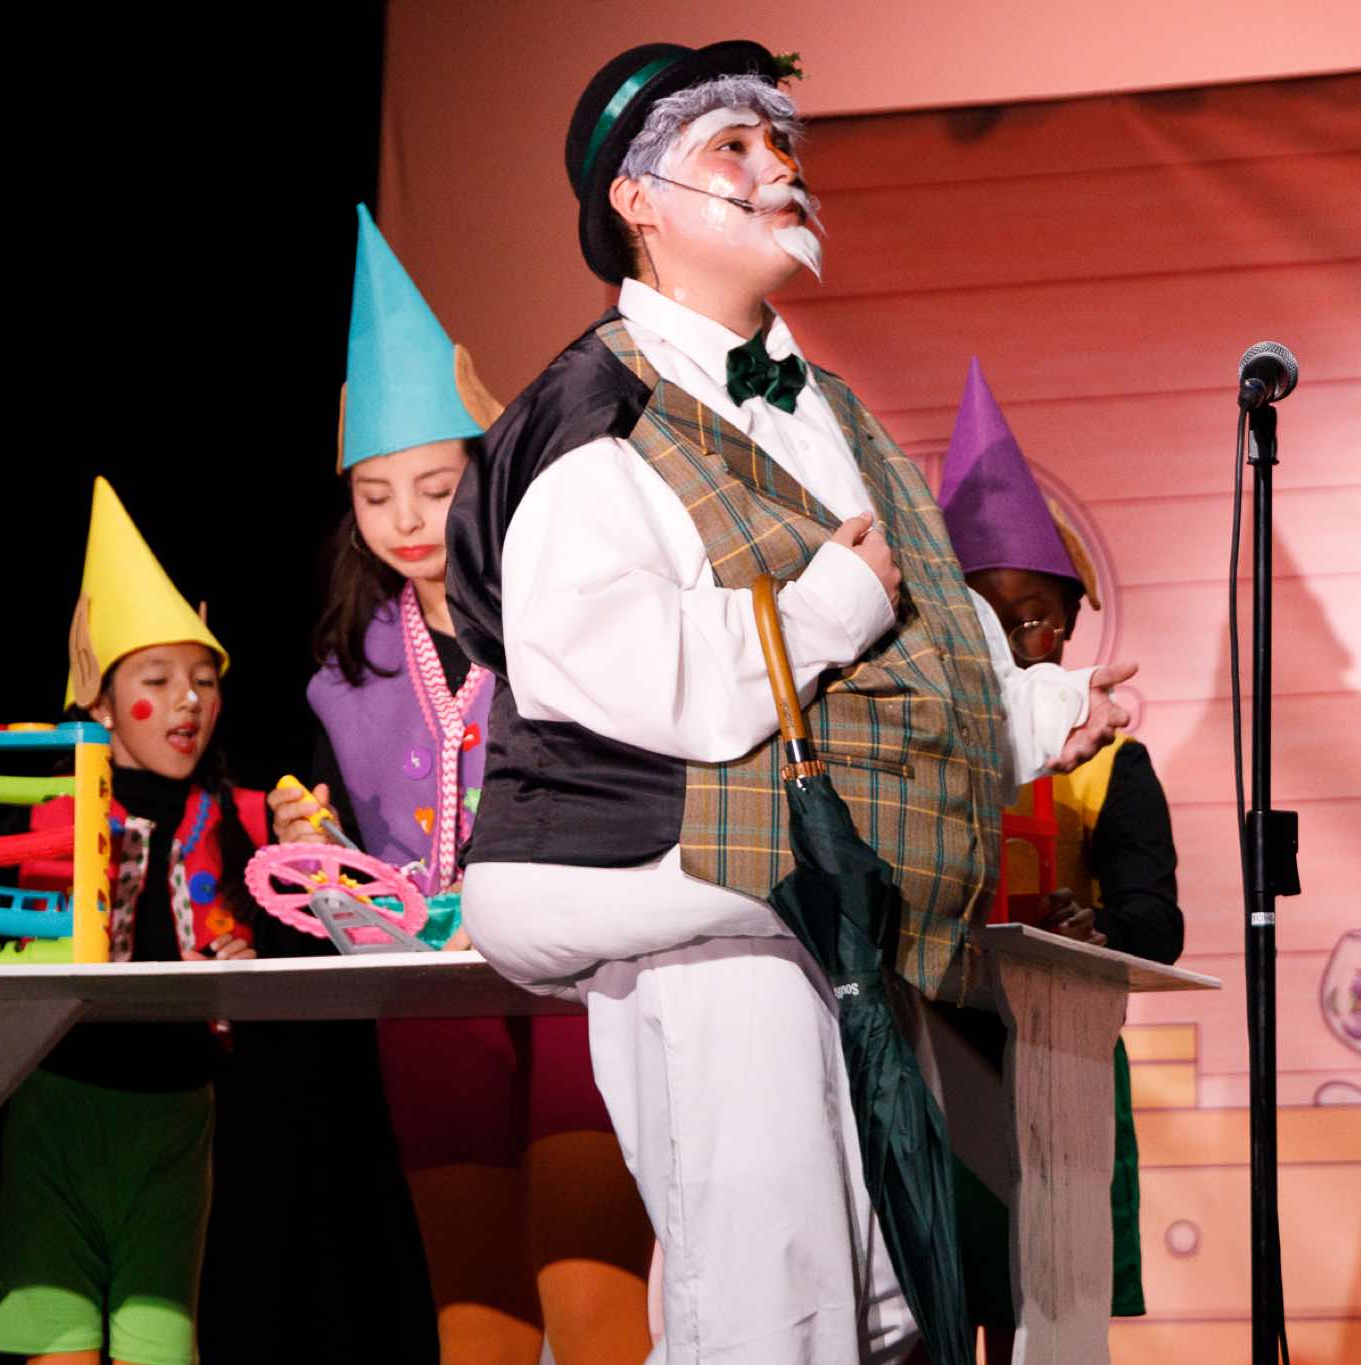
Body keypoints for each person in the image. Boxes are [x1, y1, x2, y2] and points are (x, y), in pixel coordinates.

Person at [444, 42, 1136, 1363]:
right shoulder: (593, 412)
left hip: (833, 911)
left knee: (881, 1302)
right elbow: (596, 661)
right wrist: (817, 609)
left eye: (781, 145)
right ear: (636, 204)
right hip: (699, 900)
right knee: (769, 1302)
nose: (777, 170)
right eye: (731, 149)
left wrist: (1034, 716)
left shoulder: (828, 407)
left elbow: (905, 636)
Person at [272, 205, 654, 1364]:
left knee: (591, 1303)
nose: (406, 521)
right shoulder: (346, 675)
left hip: (576, 976)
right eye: (375, 495)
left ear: (484, 474)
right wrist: (315, 838)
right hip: (428, 998)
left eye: (434, 488)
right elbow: (363, 849)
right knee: (473, 1310)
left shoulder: (561, 613)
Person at [934, 357, 1186, 1361]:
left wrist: (1095, 928)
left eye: (1035, 615)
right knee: (929, 1305)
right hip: (937, 1057)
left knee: (1051, 1317)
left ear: (1074, 621)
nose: (1015, 641)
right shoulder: (916, 763)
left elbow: (1157, 923)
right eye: (987, 619)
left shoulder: (1111, 767)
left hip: (1056, 1065)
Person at [0, 476, 266, 1365]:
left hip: (175, 1116)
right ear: (100, 701)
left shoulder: (231, 811)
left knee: (158, 1344)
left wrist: (299, 838)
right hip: (58, 1103)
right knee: (58, 1342)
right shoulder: (59, 807)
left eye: (205, 680)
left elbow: (304, 875)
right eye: (159, 680)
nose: (189, 701)